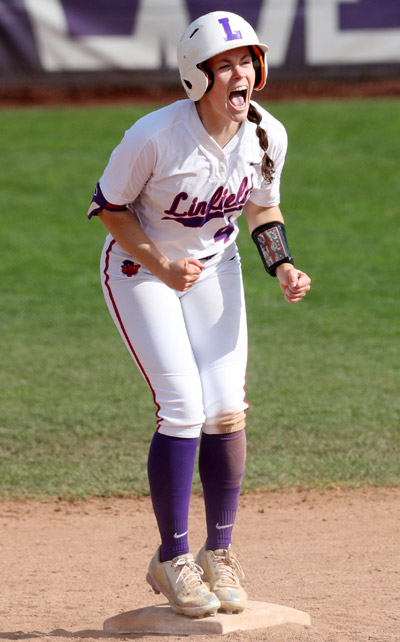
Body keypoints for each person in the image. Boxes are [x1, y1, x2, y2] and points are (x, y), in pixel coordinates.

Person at [87, 11, 311, 619]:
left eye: (248, 62)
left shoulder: (267, 134)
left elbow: (264, 210)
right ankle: (173, 559)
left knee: (226, 408)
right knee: (182, 405)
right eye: (227, 65)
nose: (242, 75)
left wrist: (283, 265)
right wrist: (161, 265)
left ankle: (220, 552)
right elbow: (109, 209)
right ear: (197, 78)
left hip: (217, 268)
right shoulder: (155, 136)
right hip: (141, 272)